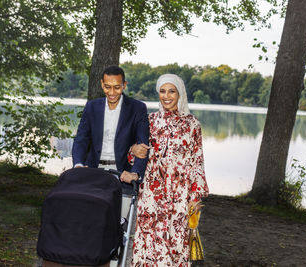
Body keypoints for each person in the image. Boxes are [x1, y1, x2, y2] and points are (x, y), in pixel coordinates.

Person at [130, 74, 209, 267]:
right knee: (149, 243)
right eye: (162, 91)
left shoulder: (192, 124)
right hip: (151, 193)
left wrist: (195, 197)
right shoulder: (148, 121)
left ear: (180, 93)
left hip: (180, 195)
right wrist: (132, 150)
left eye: (171, 91)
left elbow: (197, 162)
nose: (166, 96)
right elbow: (135, 155)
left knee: (176, 243)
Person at [72, 65, 149, 183]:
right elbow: (81, 139)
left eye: (117, 87)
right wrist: (78, 164)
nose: (112, 92)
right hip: (93, 170)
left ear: (124, 85)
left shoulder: (137, 108)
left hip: (123, 174)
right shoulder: (91, 107)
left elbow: (143, 146)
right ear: (102, 84)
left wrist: (135, 173)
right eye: (107, 87)